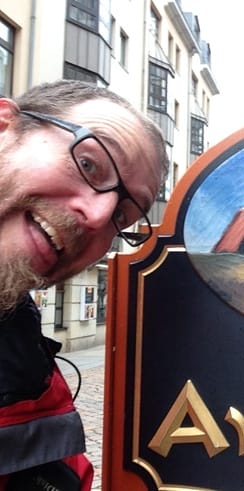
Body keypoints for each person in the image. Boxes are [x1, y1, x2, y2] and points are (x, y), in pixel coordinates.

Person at [0, 80, 168, 490]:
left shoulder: (43, 400)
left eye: (122, 218)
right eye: (90, 164)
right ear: (5, 126)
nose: (97, 217)